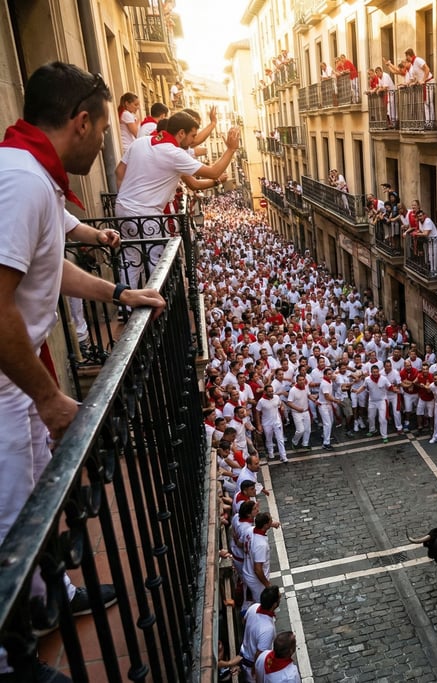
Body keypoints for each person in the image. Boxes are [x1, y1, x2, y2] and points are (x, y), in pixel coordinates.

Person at [0, 62, 166, 680]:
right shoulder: (20, 180)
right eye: (102, 130)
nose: (106, 145)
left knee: (41, 498)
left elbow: (48, 267)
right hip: (7, 388)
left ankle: (50, 598)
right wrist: (46, 398)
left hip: (18, 384)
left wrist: (118, 296)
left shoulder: (31, 175)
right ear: (81, 121)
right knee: (10, 517)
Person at [115, 111, 240, 287]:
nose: (193, 141)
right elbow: (213, 172)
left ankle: (125, 308)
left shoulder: (140, 143)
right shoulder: (174, 154)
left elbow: (119, 172)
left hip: (121, 209)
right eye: (192, 136)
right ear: (181, 133)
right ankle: (158, 304)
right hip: (146, 215)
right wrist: (231, 149)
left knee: (130, 258)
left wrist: (128, 201)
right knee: (158, 262)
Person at [240, 585, 280, 683]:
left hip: (245, 652)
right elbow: (259, 655)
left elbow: (243, 621)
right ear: (274, 605)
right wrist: (256, 673)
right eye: (279, 597)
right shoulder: (267, 629)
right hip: (252, 665)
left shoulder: (254, 607)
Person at [241, 512, 274, 612]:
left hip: (247, 570)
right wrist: (267, 584)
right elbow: (258, 569)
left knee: (248, 596)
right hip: (256, 580)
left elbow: (241, 542)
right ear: (265, 525)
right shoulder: (261, 545)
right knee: (260, 603)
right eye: (270, 521)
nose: (272, 521)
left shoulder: (250, 530)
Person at [256, 384, 287, 463]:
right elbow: (257, 412)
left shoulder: (276, 397)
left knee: (280, 439)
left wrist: (282, 407)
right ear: (265, 392)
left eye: (272, 391)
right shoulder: (261, 401)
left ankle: (283, 456)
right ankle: (270, 452)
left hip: (277, 422)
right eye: (269, 391)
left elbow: (281, 404)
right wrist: (259, 425)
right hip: (266, 423)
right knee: (268, 438)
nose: (271, 393)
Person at [286, 373, 312, 450]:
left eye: (303, 380)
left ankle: (305, 443)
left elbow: (308, 395)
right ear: (296, 381)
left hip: (306, 411)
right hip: (296, 413)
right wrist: (297, 408)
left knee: (307, 429)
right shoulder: (293, 390)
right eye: (300, 380)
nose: (302, 381)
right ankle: (294, 442)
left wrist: (314, 400)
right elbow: (289, 402)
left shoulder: (306, 387)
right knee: (300, 430)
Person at [414, 209, 437, 274]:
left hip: (434, 240)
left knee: (433, 255)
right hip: (429, 240)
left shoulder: (428, 221)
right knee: (430, 256)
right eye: (419, 216)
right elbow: (422, 231)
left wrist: (416, 234)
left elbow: (426, 233)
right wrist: (418, 232)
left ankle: (434, 272)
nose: (420, 217)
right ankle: (431, 270)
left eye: (421, 216)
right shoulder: (420, 222)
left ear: (424, 215)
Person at [117, 91, 140, 156]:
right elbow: (137, 133)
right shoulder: (126, 114)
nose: (138, 107)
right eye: (135, 105)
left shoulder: (126, 114)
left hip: (128, 147)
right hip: (127, 148)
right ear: (127, 104)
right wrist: (137, 121)